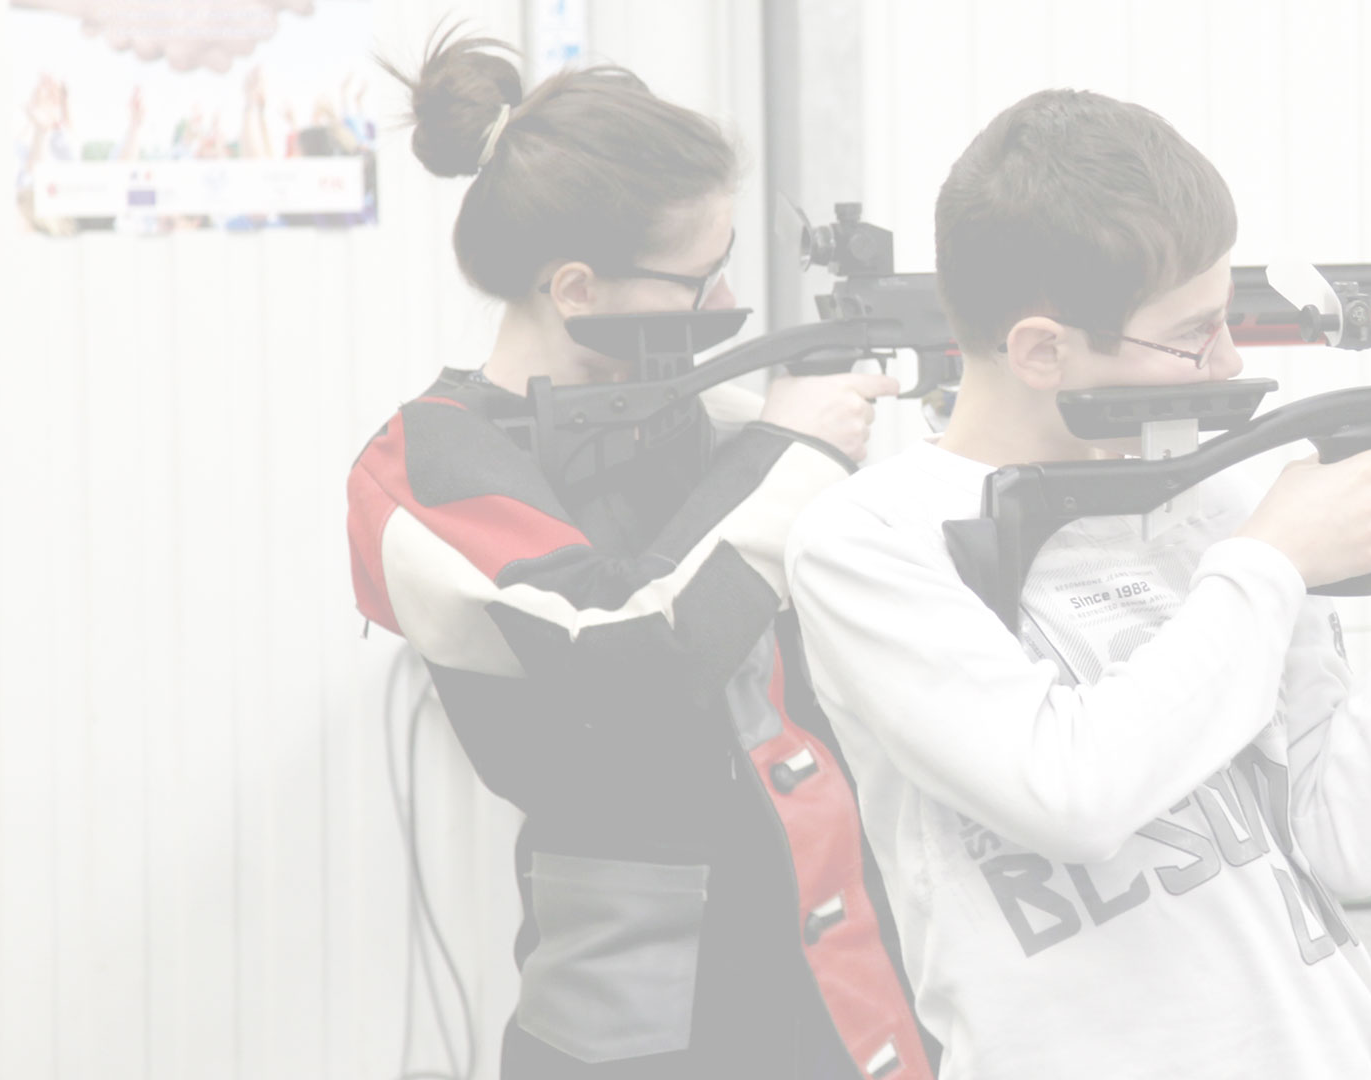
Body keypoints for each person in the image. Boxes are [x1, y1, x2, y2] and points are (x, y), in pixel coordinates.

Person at [785, 89, 1371, 1079]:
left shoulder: (1218, 503)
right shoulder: (867, 541)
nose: (1232, 360)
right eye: (1195, 333)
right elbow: (1070, 795)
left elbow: (1351, 845)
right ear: (1043, 349)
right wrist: (1271, 562)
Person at [346, 29, 933, 1080]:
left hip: (828, 966)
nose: (720, 309)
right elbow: (618, 649)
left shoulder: (707, 418)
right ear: (575, 287)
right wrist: (793, 452)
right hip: (637, 1018)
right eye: (696, 280)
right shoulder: (423, 465)